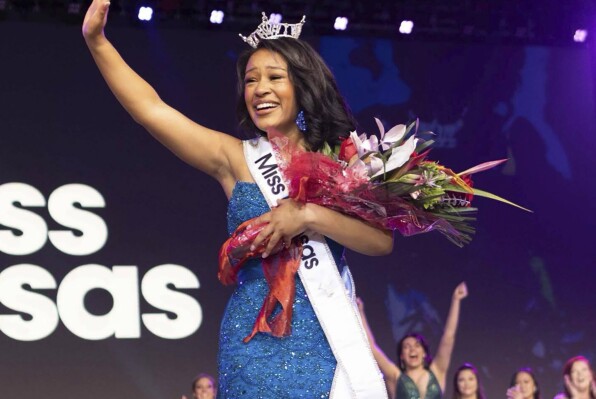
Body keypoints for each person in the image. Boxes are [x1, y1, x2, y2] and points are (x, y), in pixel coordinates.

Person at [82, 2, 392, 398]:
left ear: (302, 85)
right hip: (253, 342)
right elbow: (151, 110)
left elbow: (381, 242)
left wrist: (308, 216)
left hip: (330, 342)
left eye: (274, 77)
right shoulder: (235, 157)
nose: (260, 89)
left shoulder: (344, 161)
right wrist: (97, 42)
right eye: (250, 80)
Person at [358, 282, 468, 399]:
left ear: (424, 353)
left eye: (417, 345)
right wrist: (360, 312)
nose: (412, 349)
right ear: (401, 356)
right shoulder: (395, 376)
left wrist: (456, 300)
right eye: (407, 346)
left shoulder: (437, 371)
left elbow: (448, 338)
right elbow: (372, 348)